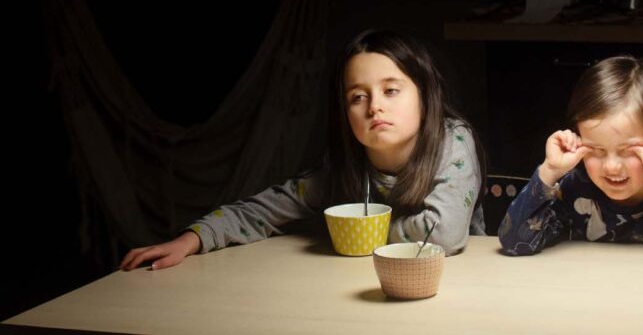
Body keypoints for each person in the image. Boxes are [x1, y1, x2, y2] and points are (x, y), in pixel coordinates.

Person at [120, 29, 485, 270]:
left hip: (457, 285)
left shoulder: (452, 142)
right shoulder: (347, 167)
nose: (374, 106)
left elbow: (445, 233)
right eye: (358, 97)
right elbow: (265, 209)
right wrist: (192, 239)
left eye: (391, 91)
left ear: (425, 95)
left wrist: (356, 234)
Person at [498, 55, 643, 261]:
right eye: (596, 150)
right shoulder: (574, 188)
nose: (611, 167)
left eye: (629, 151)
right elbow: (515, 243)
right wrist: (550, 170)